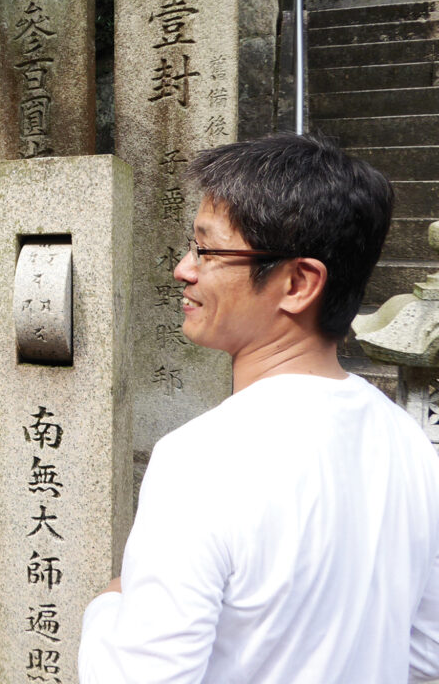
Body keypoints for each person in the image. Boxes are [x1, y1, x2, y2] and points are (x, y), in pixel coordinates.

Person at [78, 133, 439, 682]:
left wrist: (109, 605)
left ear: (298, 282)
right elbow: (425, 655)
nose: (183, 269)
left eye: (207, 250)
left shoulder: (201, 460)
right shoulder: (409, 441)